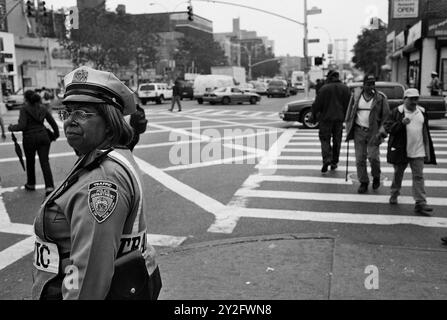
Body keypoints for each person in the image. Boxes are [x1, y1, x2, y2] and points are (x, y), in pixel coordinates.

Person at [31, 66, 161, 300]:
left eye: (82, 113)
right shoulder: (102, 157)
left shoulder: (102, 179)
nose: (70, 121)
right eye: (68, 112)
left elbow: (87, 281)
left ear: (110, 122)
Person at [384, 88, 437, 216]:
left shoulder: (422, 112)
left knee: (418, 177)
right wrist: (401, 124)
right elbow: (388, 128)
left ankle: (420, 203)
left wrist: (427, 150)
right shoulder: (397, 112)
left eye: (416, 99)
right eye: (411, 99)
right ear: (405, 99)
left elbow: (425, 132)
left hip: (418, 150)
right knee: (398, 174)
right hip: (402, 150)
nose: (414, 101)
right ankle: (394, 193)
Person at [8, 90, 59, 196]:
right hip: (43, 137)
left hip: (29, 139)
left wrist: (11, 127)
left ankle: (31, 184)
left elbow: (22, 126)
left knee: (30, 162)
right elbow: (53, 123)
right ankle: (49, 187)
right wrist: (56, 135)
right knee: (45, 162)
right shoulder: (43, 108)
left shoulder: (24, 109)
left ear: (26, 99)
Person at [345, 75, 390, 194]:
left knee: (373, 158)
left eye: (373, 84)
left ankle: (376, 176)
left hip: (373, 132)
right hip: (358, 131)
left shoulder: (380, 98)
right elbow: (349, 112)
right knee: (360, 159)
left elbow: (386, 117)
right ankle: (363, 182)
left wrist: (382, 130)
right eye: (369, 84)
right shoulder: (356, 96)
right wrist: (348, 125)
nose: (371, 86)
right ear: (363, 85)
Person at [311, 70, 351, 172]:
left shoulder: (324, 88)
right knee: (337, 141)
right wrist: (348, 118)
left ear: (329, 77)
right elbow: (349, 105)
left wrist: (314, 114)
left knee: (325, 140)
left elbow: (317, 104)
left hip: (325, 119)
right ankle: (334, 162)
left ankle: (326, 159)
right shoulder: (345, 88)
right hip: (339, 120)